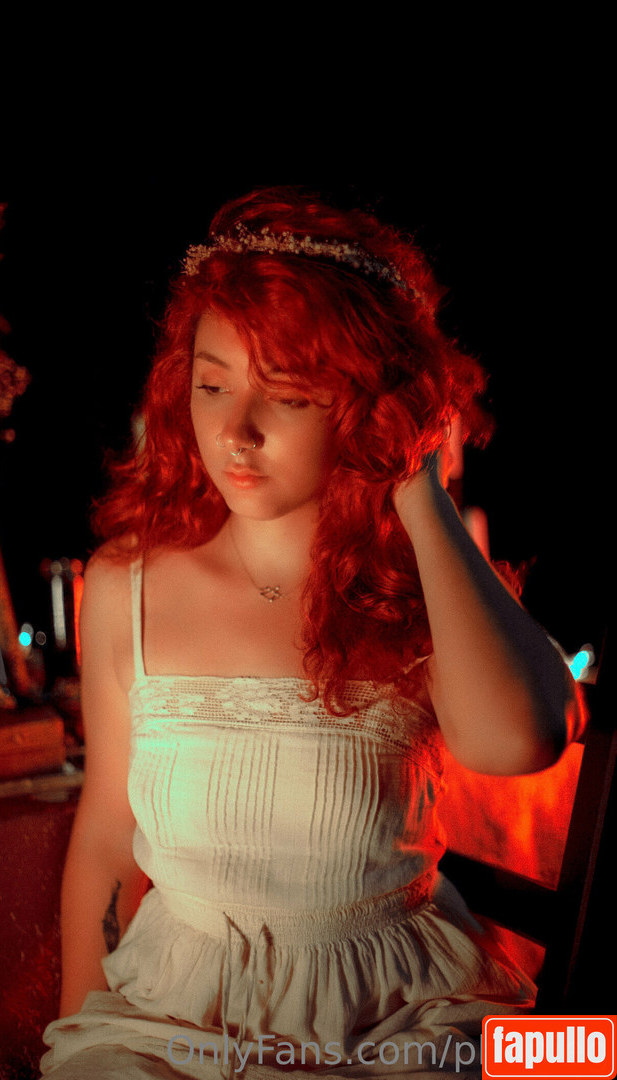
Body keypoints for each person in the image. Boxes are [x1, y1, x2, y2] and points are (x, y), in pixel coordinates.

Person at [39, 187, 579, 1078]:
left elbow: (520, 741)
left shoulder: (418, 585)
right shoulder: (126, 585)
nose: (234, 432)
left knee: (583, 1055)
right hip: (173, 1020)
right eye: (212, 385)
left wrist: (418, 492)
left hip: (403, 1016)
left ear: (370, 407)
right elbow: (104, 835)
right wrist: (75, 1036)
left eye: (287, 396)